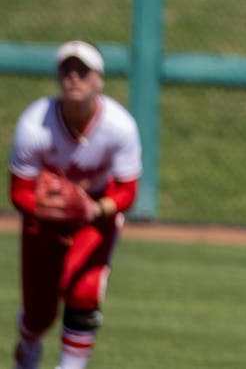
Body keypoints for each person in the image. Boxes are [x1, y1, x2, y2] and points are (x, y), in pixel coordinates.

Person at [8, 40, 143, 369]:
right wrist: (49, 210)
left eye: (83, 71)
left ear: (99, 79)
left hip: (95, 214)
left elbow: (127, 191)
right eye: (67, 70)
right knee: (39, 315)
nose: (74, 78)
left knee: (83, 292)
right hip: (44, 220)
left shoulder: (119, 126)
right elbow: (19, 190)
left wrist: (92, 210)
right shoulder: (35, 123)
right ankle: (27, 347)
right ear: (58, 77)